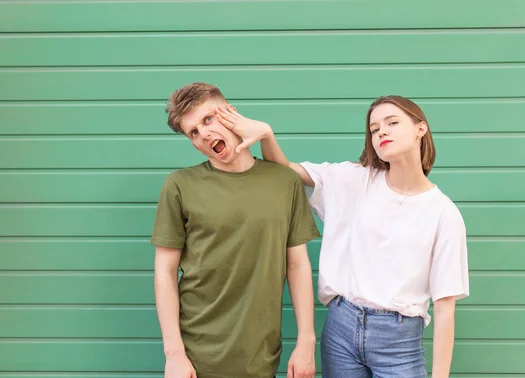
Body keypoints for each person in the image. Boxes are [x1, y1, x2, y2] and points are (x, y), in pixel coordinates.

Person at [214, 95, 470, 378]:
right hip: (341, 328)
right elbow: (286, 172)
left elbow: (446, 307)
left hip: (399, 340)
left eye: (392, 122)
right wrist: (266, 134)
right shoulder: (353, 179)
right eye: (374, 129)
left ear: (420, 128)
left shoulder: (443, 213)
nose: (381, 131)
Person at [151, 82, 321, 378]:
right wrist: (174, 354)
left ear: (231, 113)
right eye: (193, 131)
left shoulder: (284, 181)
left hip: (261, 355)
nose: (203, 133)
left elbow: (297, 264)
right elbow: (164, 272)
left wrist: (306, 340)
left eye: (208, 119)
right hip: (196, 357)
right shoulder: (179, 185)